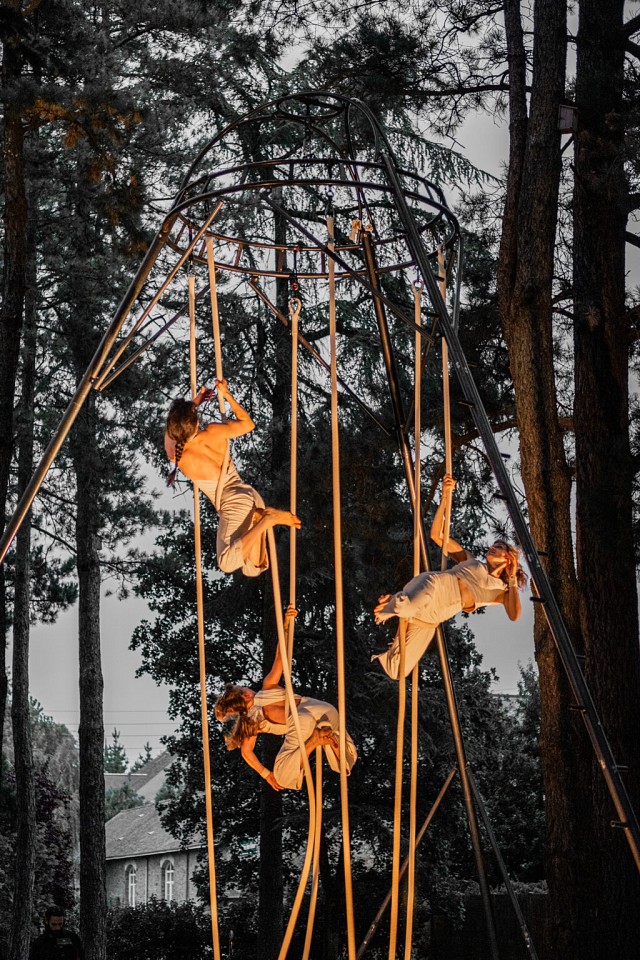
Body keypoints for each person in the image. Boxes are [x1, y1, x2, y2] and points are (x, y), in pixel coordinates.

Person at [372, 474, 526, 679]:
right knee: (405, 606)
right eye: (493, 545)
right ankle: (394, 604)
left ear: (509, 559)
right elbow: (438, 536)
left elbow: (514, 615)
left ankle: (398, 606)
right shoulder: (470, 560)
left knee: (396, 670)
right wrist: (445, 496)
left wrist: (512, 578)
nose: (492, 548)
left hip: (433, 616)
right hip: (433, 586)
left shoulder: (502, 591)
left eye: (499, 548)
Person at [164, 378, 300, 577]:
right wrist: (224, 395)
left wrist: (194, 404)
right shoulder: (212, 432)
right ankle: (260, 518)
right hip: (245, 496)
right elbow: (248, 424)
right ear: (197, 422)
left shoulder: (176, 455)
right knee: (252, 567)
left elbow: (171, 428)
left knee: (227, 563)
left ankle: (267, 519)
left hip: (234, 502)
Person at [215, 615, 358, 791]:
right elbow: (281, 657)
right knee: (342, 764)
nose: (248, 688)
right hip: (326, 710)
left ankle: (315, 740)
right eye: (244, 688)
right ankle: (334, 747)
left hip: (303, 722)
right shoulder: (267, 688)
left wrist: (267, 775)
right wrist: (286, 627)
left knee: (282, 775)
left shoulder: (253, 722)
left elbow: (246, 752)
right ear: (244, 695)